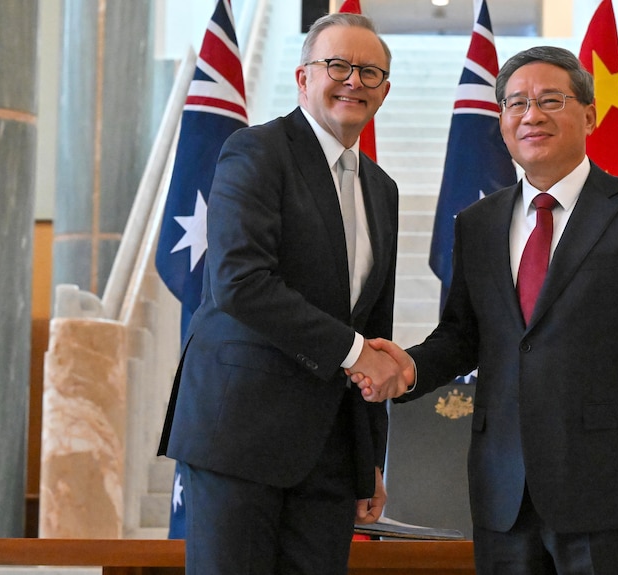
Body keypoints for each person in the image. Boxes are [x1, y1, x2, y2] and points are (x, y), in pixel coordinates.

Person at [353, 46, 618, 574]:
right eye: (516, 103)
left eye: (550, 100)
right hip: (504, 491)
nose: (531, 115)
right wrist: (409, 369)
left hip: (610, 490)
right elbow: (463, 336)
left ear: (589, 116)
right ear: (501, 121)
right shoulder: (477, 222)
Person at [157, 13, 409, 575]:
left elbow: (374, 328)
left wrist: (369, 458)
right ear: (303, 78)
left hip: (330, 454)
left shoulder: (382, 189)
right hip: (240, 437)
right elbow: (240, 282)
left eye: (370, 72)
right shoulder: (256, 151)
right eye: (337, 65)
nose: (354, 80)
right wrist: (353, 353)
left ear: (385, 91)